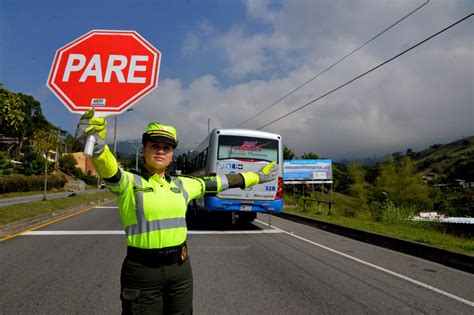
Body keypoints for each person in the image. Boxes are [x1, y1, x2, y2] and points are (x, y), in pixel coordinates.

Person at [75, 109, 278, 314]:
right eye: (155, 145)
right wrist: (97, 143)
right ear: (143, 150)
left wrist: (256, 177)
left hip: (180, 270)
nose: (161, 151)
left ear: (172, 155)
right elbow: (108, 167)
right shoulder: (127, 182)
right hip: (142, 271)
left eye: (167, 147)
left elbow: (221, 182)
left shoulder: (183, 184)